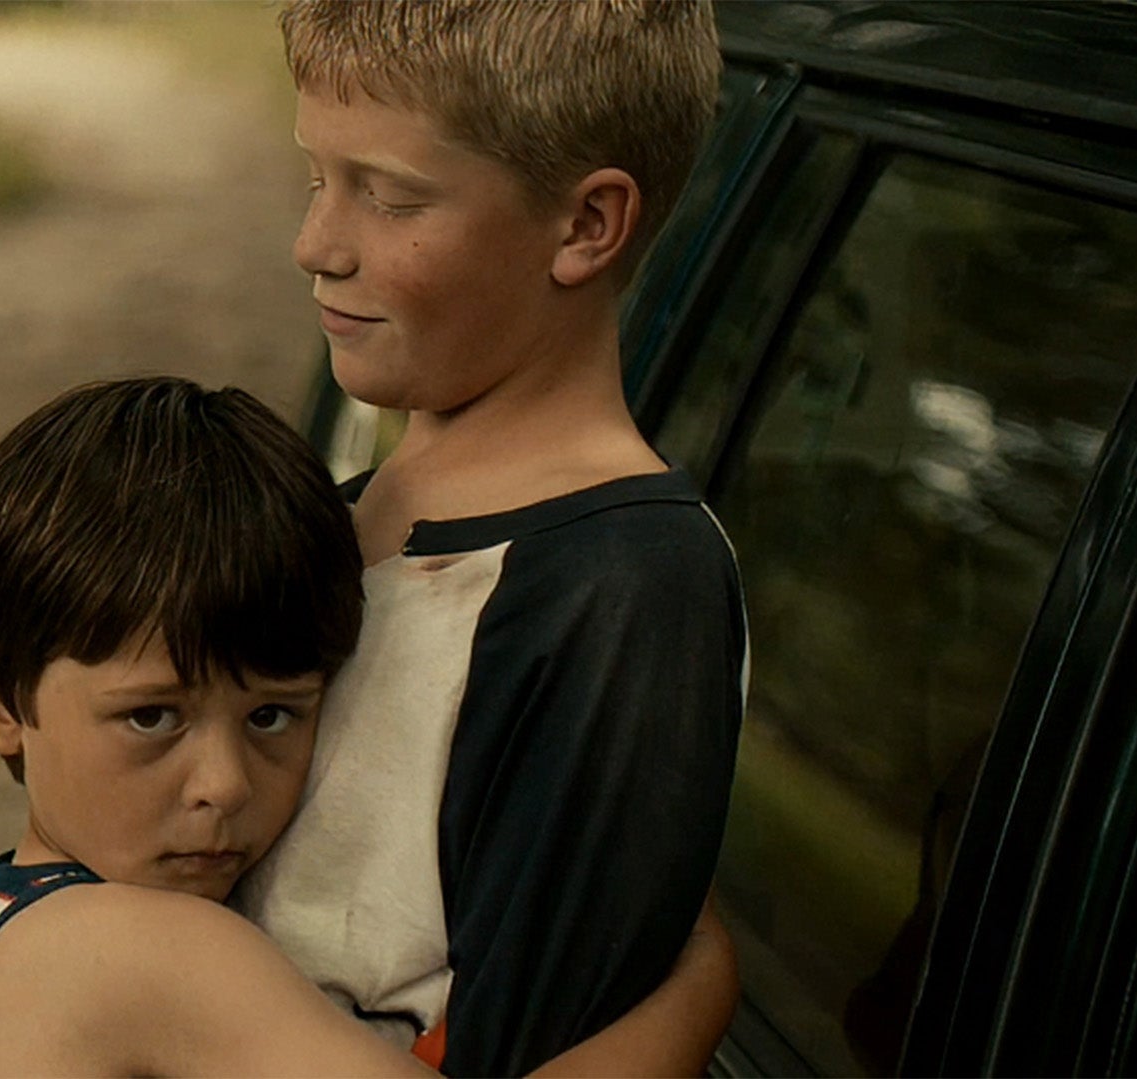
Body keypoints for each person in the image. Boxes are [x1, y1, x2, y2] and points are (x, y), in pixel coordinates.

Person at [0, 377, 731, 1077]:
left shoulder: (18, 929)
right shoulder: (138, 947)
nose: (226, 783)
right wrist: (700, 979)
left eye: (271, 715)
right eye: (152, 716)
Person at [229, 1, 748, 1075]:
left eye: (389, 196)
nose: (314, 244)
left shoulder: (625, 588)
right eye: (319, 178)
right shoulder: (338, 511)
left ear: (586, 225)